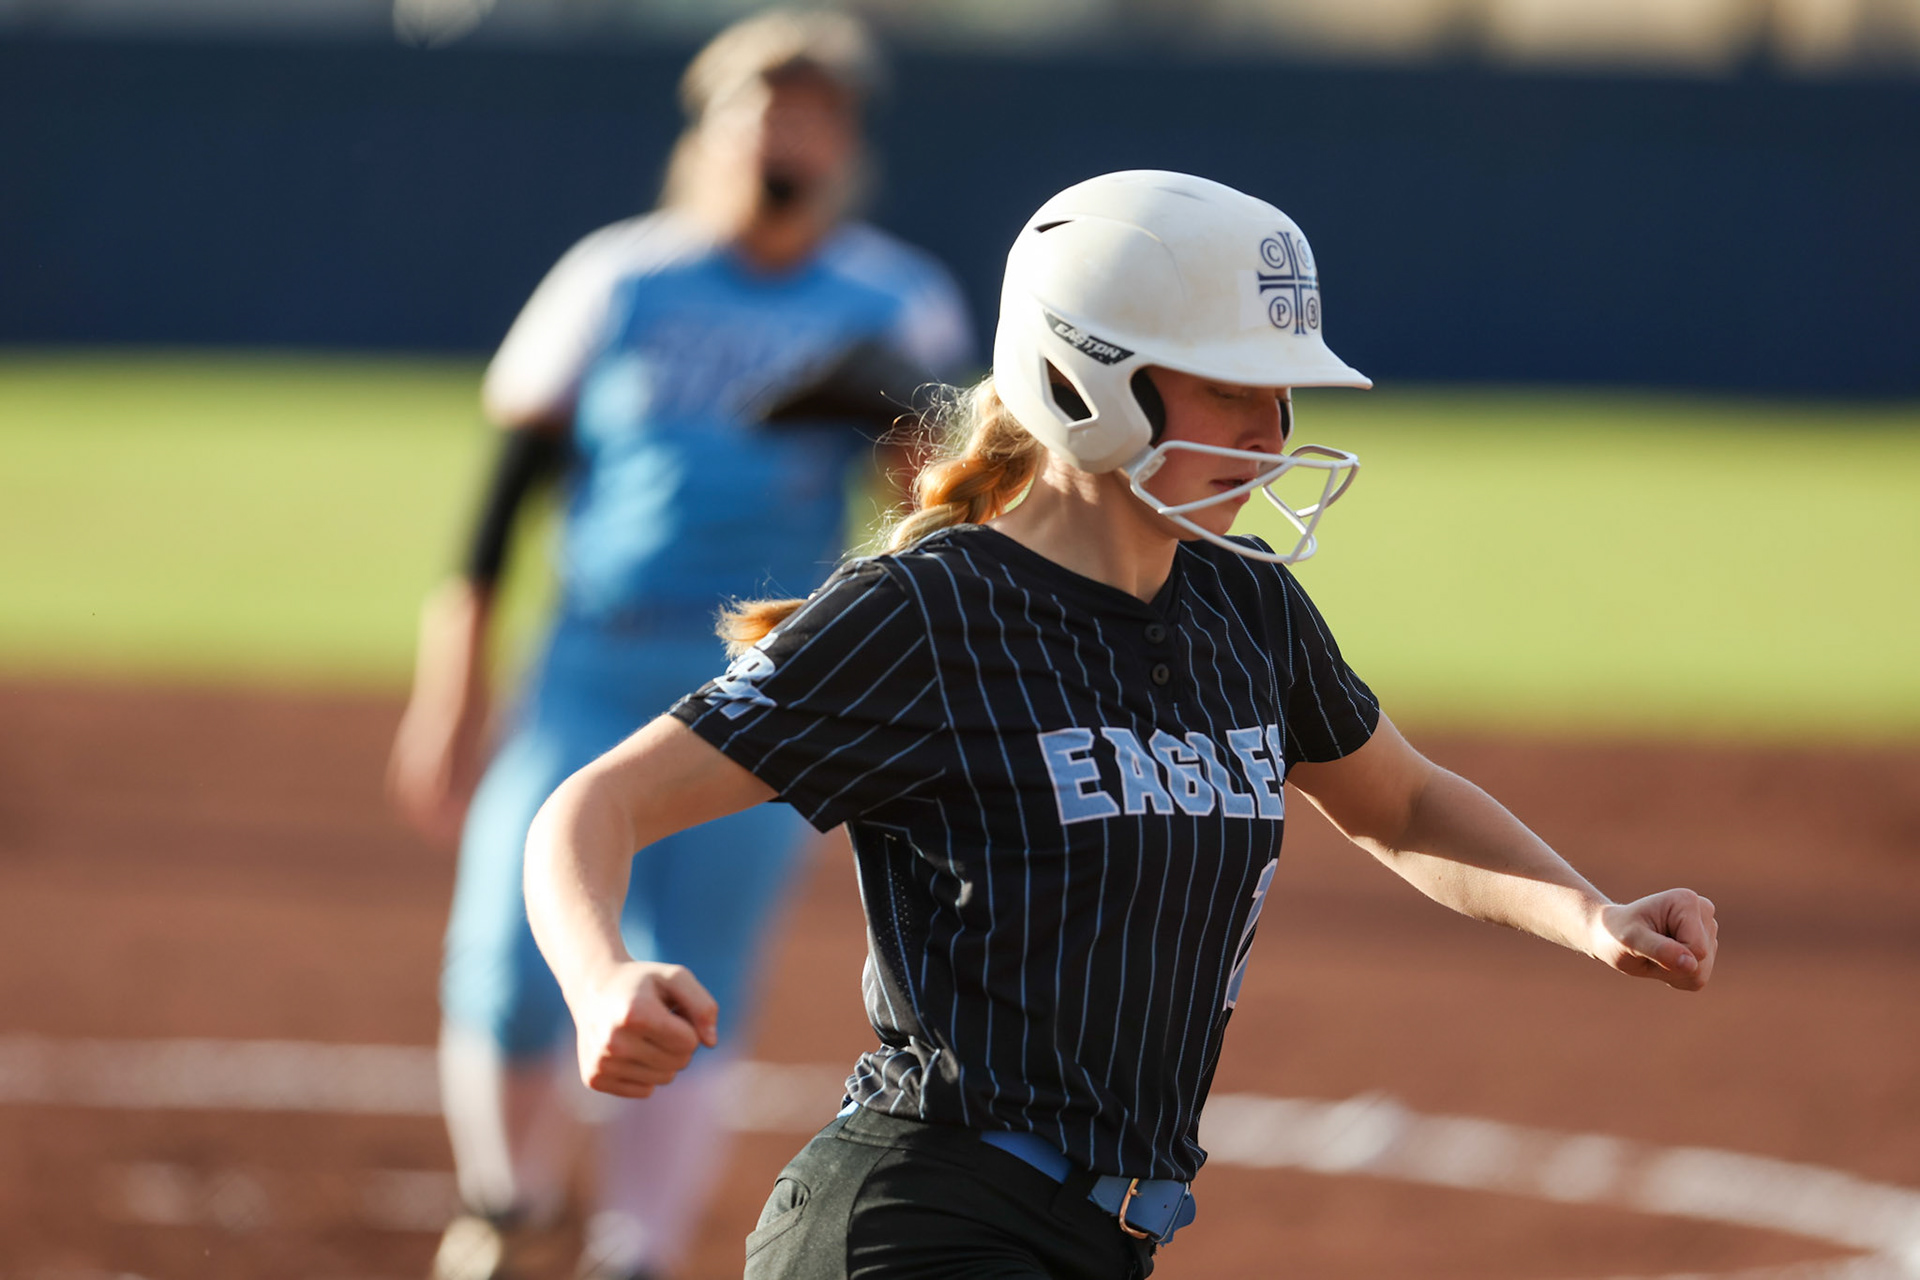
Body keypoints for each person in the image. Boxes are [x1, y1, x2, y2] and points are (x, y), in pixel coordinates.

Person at [520, 170, 1719, 1280]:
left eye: (1280, 390)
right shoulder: (929, 612)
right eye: (1228, 385)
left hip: (1097, 1240)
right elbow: (594, 803)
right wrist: (600, 975)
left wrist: (1592, 914)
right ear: (1082, 378)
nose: (1271, 429)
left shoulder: (1248, 604)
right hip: (921, 1222)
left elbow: (1398, 802)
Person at [385, 12, 972, 1279]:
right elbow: (500, 509)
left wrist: (897, 419)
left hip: (776, 680)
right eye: (762, 108)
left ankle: (637, 1254)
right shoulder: (619, 276)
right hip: (592, 656)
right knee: (509, 948)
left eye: (813, 112)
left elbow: (944, 516)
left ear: (848, 141)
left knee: (698, 974)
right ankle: (509, 1210)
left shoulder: (898, 297)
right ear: (708, 130)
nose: (785, 130)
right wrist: (453, 693)